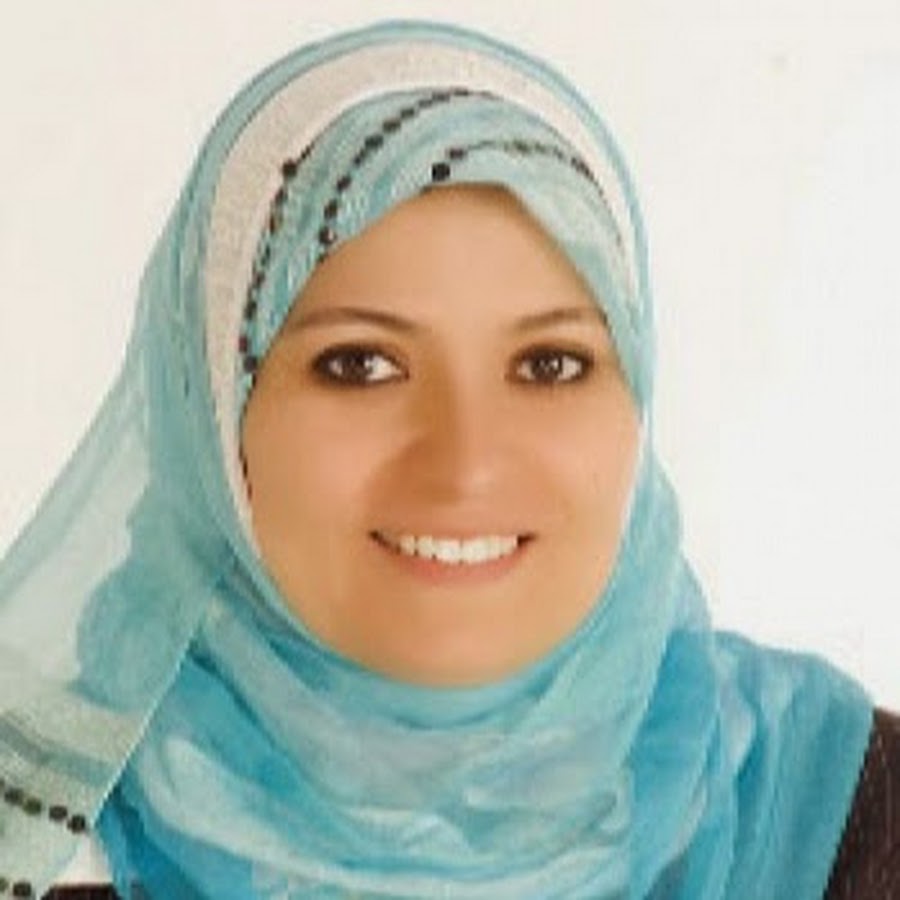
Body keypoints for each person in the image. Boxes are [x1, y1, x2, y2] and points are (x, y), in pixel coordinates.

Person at [0, 19, 896, 900]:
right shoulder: (44, 833)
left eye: (550, 365)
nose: (466, 465)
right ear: (212, 417)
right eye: (359, 365)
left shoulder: (850, 816)